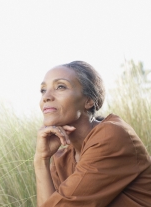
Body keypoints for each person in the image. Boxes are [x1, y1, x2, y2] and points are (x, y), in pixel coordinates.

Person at [34, 61, 151, 207]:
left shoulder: (111, 135)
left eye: (60, 87)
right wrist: (41, 160)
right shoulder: (61, 160)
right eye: (43, 90)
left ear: (89, 100)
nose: (46, 97)